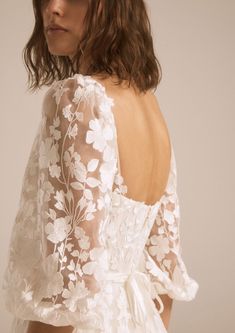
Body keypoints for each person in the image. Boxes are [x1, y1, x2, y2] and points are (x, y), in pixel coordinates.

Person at [2, 1, 199, 332]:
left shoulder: (79, 99)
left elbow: (68, 291)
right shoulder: (149, 105)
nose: (52, 8)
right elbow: (165, 271)